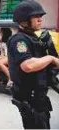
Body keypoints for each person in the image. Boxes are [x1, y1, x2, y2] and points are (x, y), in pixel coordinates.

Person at [8, 0, 59, 129]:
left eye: (41, 16)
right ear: (24, 20)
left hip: (38, 98)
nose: (40, 19)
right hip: (30, 99)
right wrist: (50, 58)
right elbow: (28, 65)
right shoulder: (19, 40)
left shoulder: (34, 38)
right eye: (36, 16)